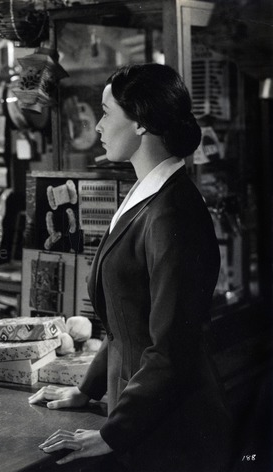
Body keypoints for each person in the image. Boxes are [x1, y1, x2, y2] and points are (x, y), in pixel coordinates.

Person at [29, 63, 232, 472]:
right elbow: (126, 325)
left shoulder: (173, 213)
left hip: (177, 436)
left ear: (140, 122)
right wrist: (87, 391)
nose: (99, 126)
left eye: (106, 112)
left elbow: (171, 349)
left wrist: (112, 433)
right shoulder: (144, 194)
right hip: (144, 420)